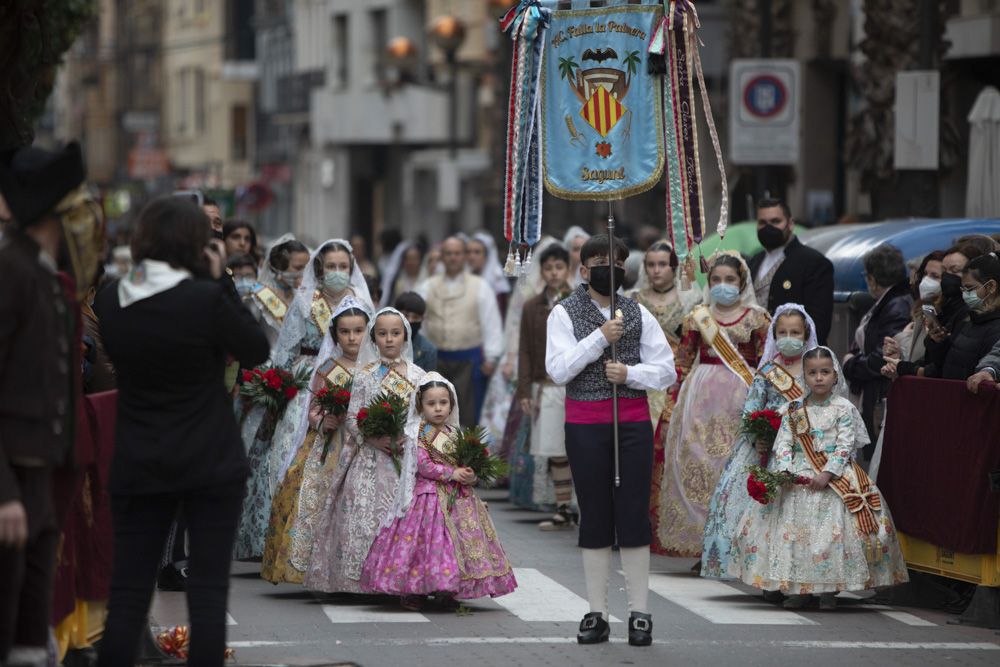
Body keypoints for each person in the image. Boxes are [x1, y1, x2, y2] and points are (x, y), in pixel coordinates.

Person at [94, 196, 269, 666]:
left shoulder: (112, 296)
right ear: (194, 244)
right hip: (208, 456)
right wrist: (219, 280)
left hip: (139, 454)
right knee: (208, 595)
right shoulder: (206, 297)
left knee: (129, 592)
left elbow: (127, 307)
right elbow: (254, 349)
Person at [545, 234, 676, 647]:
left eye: (617, 261)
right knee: (596, 515)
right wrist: (600, 337)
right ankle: (596, 612)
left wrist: (632, 375)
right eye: (600, 261)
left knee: (634, 515)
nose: (610, 268)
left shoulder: (638, 312)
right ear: (583, 271)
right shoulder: (563, 313)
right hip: (585, 426)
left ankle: (640, 613)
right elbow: (559, 369)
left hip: (633, 423)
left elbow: (667, 370)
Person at [0, 141, 102, 666]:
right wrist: (5, 492)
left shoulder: (42, 274)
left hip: (41, 474)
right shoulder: (10, 270)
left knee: (29, 621)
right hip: (13, 478)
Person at [728, 347, 908, 609]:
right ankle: (797, 590)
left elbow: (847, 445)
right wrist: (785, 469)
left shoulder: (843, 408)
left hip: (834, 476)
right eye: (812, 373)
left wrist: (828, 472)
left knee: (831, 536)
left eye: (825, 372)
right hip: (797, 475)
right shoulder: (794, 409)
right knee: (795, 535)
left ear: (835, 375)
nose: (819, 378)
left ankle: (828, 590)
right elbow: (785, 442)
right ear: (805, 376)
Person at [237, 239, 372, 560]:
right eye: (331, 267)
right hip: (308, 382)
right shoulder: (304, 301)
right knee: (293, 455)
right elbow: (285, 349)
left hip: (353, 379)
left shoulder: (362, 302)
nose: (337, 273)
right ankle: (294, 539)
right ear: (319, 268)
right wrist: (278, 389)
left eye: (343, 267)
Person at [360, 373, 517, 608]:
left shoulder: (457, 434)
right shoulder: (417, 434)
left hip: (458, 498)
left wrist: (470, 474)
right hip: (428, 496)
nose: (438, 409)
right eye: (431, 404)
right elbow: (423, 465)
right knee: (425, 543)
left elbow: (467, 462)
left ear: (451, 404)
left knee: (455, 544)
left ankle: (447, 588)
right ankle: (414, 590)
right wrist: (451, 473)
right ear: (421, 406)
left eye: (443, 403)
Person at [656, 253, 770, 561]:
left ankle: (736, 543)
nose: (722, 286)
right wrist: (671, 402)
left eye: (729, 280)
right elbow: (682, 360)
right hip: (700, 401)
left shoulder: (757, 318)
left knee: (733, 469)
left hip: (741, 400)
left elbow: (765, 363)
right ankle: (704, 545)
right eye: (716, 280)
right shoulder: (698, 317)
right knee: (699, 467)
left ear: (742, 282)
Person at [305, 308, 426, 593]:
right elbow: (352, 417)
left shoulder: (418, 376)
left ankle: (401, 579)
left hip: (405, 459)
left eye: (395, 333)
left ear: (405, 336)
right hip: (369, 459)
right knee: (361, 516)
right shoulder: (364, 375)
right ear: (373, 338)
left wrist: (405, 438)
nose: (389, 339)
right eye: (382, 334)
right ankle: (357, 579)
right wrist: (371, 439)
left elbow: (423, 417)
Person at [701, 304, 816, 579]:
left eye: (795, 332)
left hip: (808, 449)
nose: (789, 337)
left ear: (806, 334)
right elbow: (750, 411)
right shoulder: (766, 371)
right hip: (768, 448)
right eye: (783, 332)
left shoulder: (816, 368)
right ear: (774, 335)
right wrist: (758, 437)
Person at [262, 298, 369, 584]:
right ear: (335, 335)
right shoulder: (328, 369)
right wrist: (322, 420)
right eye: (345, 332)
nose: (352, 337)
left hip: (367, 445)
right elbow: (314, 408)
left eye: (358, 331)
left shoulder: (376, 367)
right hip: (332, 444)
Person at [628, 241, 700, 553]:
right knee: (634, 455)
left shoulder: (691, 302)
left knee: (668, 454)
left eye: (662, 264)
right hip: (639, 385)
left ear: (673, 267)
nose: (657, 270)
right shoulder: (632, 300)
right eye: (651, 265)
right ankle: (631, 522)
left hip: (674, 386)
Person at [518, 244, 575, 530]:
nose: (554, 273)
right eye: (549, 268)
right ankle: (563, 506)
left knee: (580, 447)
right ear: (542, 271)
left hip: (575, 384)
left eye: (559, 267)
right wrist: (525, 390)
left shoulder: (579, 302)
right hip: (547, 384)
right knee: (555, 449)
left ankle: (583, 505)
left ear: (569, 269)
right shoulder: (532, 307)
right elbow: (525, 350)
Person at [419, 236, 503, 426]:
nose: (453, 258)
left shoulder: (480, 287)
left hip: (468, 361)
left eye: (457, 253)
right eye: (448, 254)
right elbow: (421, 323)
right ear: (442, 257)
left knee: (468, 416)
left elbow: (491, 324)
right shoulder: (427, 287)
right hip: (437, 361)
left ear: (464, 256)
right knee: (435, 415)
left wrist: (491, 357)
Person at [885, 253, 1000, 381]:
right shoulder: (969, 320)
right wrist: (939, 343)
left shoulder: (993, 326)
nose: (966, 294)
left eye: (970, 288)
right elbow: (948, 365)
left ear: (991, 287)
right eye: (963, 289)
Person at [842, 244, 912, 450]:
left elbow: (884, 354)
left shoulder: (896, 305)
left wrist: (850, 365)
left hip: (882, 390)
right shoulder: (889, 301)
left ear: (872, 279)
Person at [748, 198, 834, 344]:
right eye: (762, 223)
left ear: (790, 224)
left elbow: (819, 324)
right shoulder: (753, 261)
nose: (768, 228)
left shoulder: (813, 262)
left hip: (793, 355)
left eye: (775, 221)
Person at [247, 235, 310, 347]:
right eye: (298, 268)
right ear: (279, 266)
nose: (303, 273)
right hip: (267, 361)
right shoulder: (258, 295)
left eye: (306, 268)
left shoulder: (303, 295)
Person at [469, 231, 512, 312]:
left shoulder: (498, 283)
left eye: (477, 252)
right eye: (469, 252)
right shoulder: (465, 277)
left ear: (487, 255)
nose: (471, 257)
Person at [395, 291, 437, 372]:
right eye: (406, 315)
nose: (410, 321)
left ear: (422, 319)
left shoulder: (428, 350)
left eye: (415, 317)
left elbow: (428, 381)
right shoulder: (384, 340)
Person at [379, 241, 427, 307]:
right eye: (408, 259)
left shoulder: (427, 279)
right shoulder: (398, 281)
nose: (411, 262)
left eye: (414, 259)